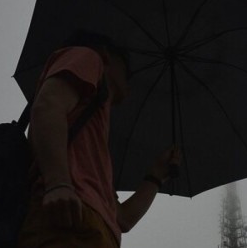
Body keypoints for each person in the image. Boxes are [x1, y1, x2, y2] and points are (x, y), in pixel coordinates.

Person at [17, 31, 181, 248]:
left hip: (98, 232)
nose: (129, 82)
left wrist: (156, 177)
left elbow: (123, 219)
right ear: (106, 55)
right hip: (71, 218)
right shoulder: (89, 57)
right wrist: (58, 183)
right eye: (127, 70)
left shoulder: (95, 146)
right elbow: (48, 106)